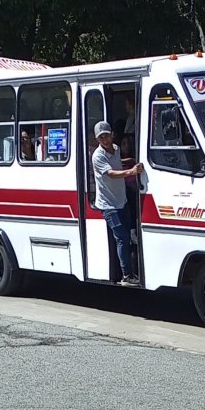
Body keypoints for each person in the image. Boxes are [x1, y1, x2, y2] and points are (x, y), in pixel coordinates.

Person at [91, 121, 143, 287]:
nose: (104, 139)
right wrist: (131, 171)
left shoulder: (116, 148)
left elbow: (117, 163)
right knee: (122, 239)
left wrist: (132, 160)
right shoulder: (98, 156)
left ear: (111, 134)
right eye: (101, 137)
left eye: (106, 135)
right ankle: (126, 275)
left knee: (129, 237)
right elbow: (111, 173)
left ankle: (131, 271)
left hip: (122, 201)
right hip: (109, 205)